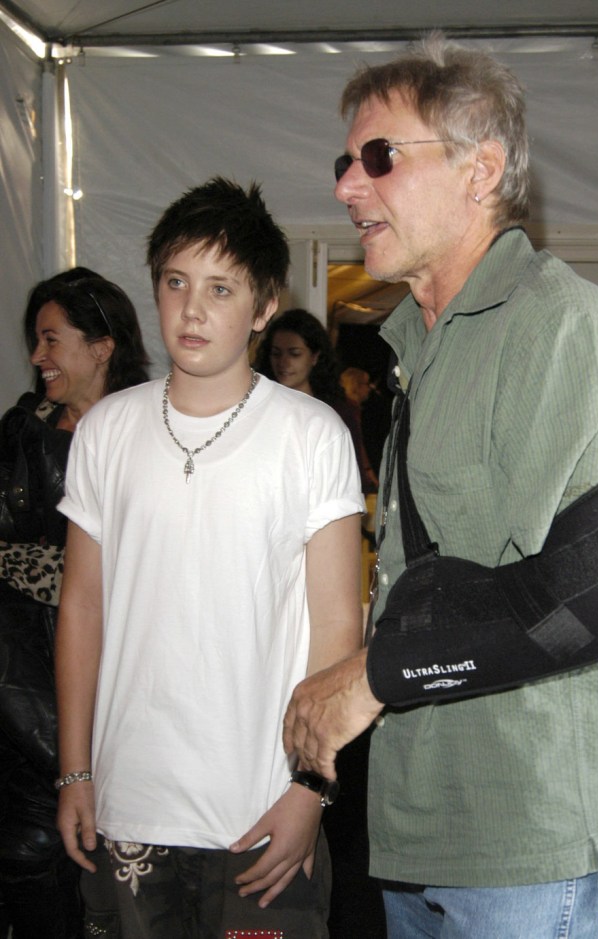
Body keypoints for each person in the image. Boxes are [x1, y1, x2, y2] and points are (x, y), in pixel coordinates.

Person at [282, 34, 598, 939]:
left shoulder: (557, 325)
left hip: (530, 827)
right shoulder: (420, 344)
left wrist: (376, 674)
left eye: (379, 157)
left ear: (481, 170)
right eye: (345, 161)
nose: (347, 185)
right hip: (433, 815)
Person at [54, 177, 364, 939]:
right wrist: (74, 770)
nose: (192, 309)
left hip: (259, 811)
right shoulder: (106, 431)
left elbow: (336, 624)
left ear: (262, 307)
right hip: (129, 800)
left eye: (221, 288)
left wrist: (308, 790)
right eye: (176, 282)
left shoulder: (310, 433)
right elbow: (81, 606)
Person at [0, 269, 149, 939]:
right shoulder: (21, 429)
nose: (38, 358)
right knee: (29, 857)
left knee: (119, 871)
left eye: (52, 340)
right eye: (37, 341)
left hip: (124, 687)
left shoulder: (152, 433)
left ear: (103, 345)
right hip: (20, 685)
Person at [257, 309, 378, 492]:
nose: (283, 362)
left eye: (294, 353)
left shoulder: (338, 413)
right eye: (276, 353)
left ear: (314, 357)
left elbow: (352, 483)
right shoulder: (258, 409)